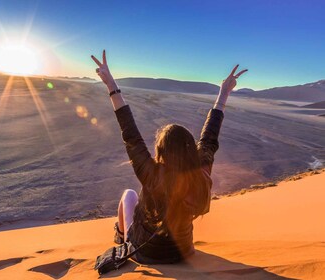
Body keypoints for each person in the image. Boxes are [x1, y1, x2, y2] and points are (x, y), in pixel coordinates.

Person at [91, 50, 247, 264]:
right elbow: (210, 137)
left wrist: (111, 85)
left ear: (161, 150)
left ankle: (120, 237)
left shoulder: (151, 174)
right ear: (190, 150)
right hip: (183, 252)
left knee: (128, 195)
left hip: (145, 252)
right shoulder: (200, 174)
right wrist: (223, 94)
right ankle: (122, 236)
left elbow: (130, 133)